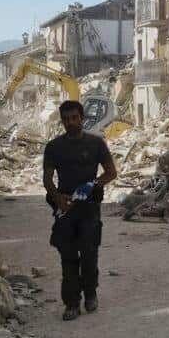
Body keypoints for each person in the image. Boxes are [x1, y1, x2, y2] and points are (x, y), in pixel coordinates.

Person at [43, 100, 118, 321]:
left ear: (82, 118)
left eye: (74, 118)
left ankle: (91, 294)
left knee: (89, 253)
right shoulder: (54, 147)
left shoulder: (95, 144)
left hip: (89, 208)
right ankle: (71, 303)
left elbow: (111, 173)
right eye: (66, 119)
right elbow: (47, 180)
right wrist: (58, 199)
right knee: (67, 256)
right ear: (62, 121)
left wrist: (93, 184)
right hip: (65, 209)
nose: (70, 123)